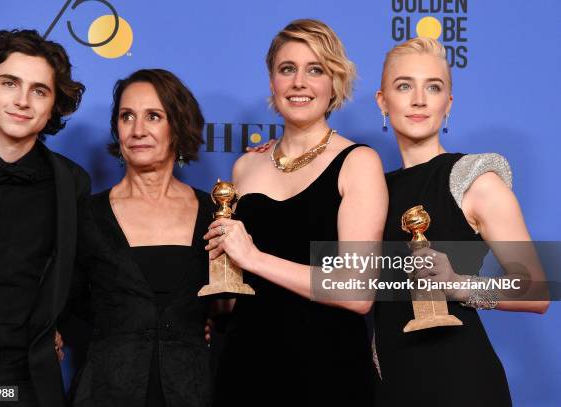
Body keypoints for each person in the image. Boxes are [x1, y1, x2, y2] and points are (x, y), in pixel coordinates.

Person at [205, 19, 388, 406]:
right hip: (246, 363)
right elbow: (236, 291)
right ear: (272, 82)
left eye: (315, 69)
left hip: (328, 369)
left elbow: (357, 292)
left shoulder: (358, 162)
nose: (299, 82)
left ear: (334, 83)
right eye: (287, 69)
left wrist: (253, 257)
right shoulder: (245, 168)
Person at [372, 37, 549, 406]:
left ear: (447, 104)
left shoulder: (473, 179)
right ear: (382, 101)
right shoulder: (373, 187)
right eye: (404, 85)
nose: (419, 99)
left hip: (461, 382)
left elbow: (537, 290)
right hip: (390, 384)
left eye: (433, 87)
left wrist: (457, 285)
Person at [0, 30, 89, 407]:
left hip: (29, 382)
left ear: (54, 105)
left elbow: (84, 277)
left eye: (39, 90)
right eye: (10, 83)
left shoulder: (71, 184)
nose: (22, 101)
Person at [66, 69, 215, 407]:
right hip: (105, 390)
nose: (137, 130)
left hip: (192, 390)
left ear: (176, 125)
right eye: (126, 116)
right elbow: (65, 300)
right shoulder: (86, 214)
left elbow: (228, 303)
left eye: (153, 116)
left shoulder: (214, 212)